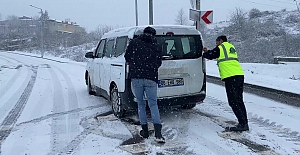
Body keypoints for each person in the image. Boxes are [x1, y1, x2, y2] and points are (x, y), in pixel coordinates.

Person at [124, 26, 165, 143]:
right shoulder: (156, 45)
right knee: (153, 104)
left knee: (140, 104)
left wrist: (136, 65)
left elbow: (127, 57)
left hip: (136, 77)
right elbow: (159, 62)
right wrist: (150, 68)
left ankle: (145, 131)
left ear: (144, 33)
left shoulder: (134, 43)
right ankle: (158, 133)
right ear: (153, 35)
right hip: (151, 78)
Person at [202, 35, 249, 132]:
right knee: (239, 100)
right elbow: (216, 53)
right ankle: (244, 122)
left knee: (233, 101)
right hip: (239, 74)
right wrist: (209, 51)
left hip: (231, 76)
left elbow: (211, 55)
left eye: (216, 42)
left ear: (221, 41)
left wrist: (205, 53)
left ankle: (242, 124)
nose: (216, 44)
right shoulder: (231, 47)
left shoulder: (221, 47)